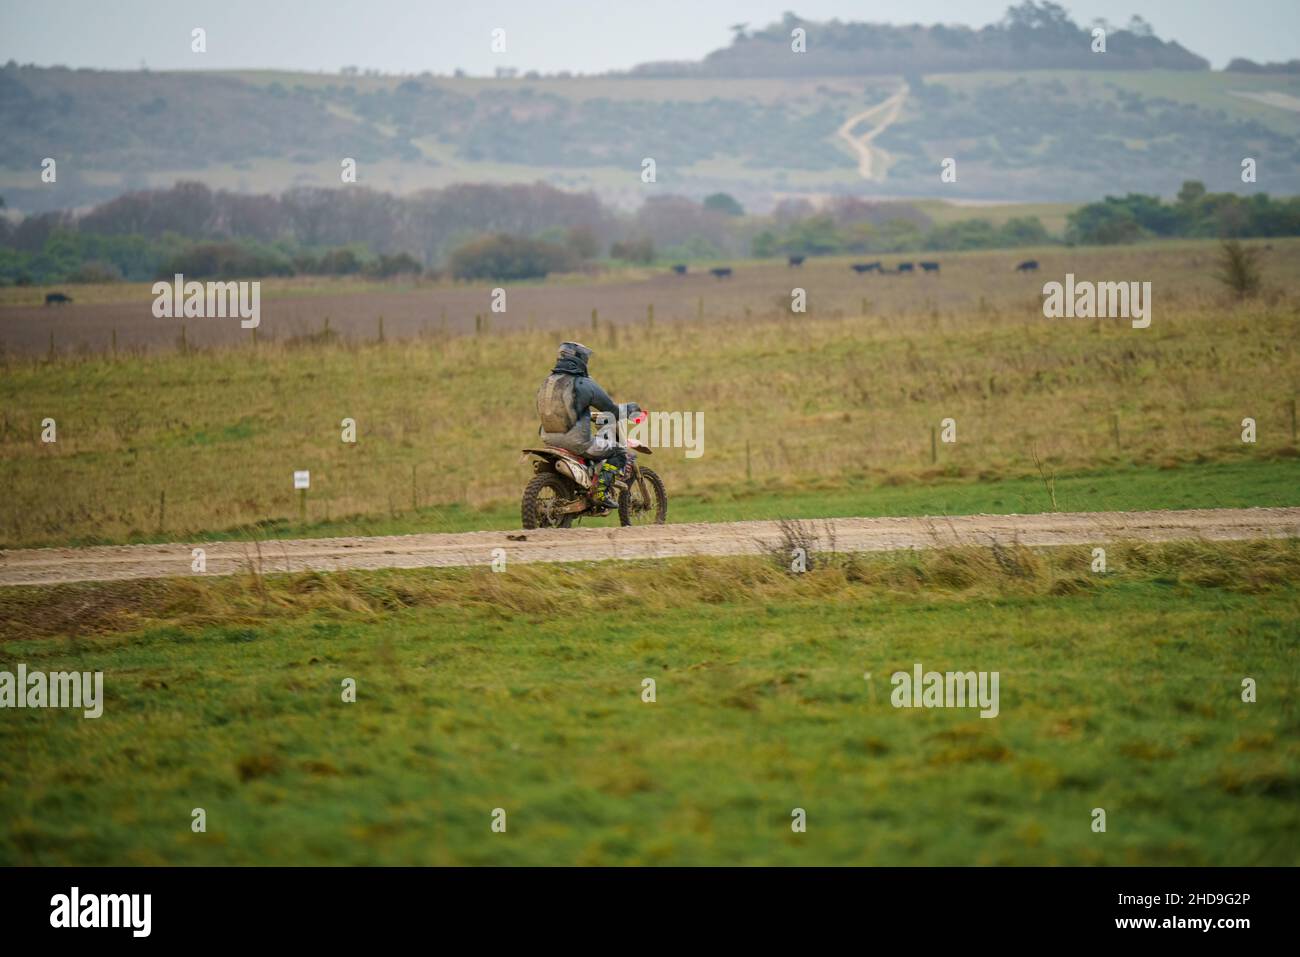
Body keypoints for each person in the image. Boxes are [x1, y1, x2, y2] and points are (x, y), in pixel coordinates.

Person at [535, 341, 632, 508]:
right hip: (577, 443)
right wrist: (632, 408)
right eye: (584, 358)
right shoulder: (583, 383)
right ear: (578, 359)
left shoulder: (548, 382)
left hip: (549, 440)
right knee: (619, 452)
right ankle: (600, 492)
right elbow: (612, 410)